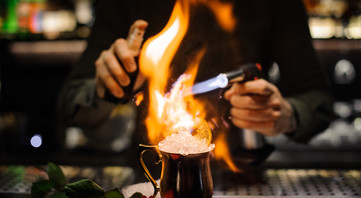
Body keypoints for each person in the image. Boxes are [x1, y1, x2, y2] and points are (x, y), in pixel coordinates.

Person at [58, 0, 334, 151]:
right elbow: (71, 106)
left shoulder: (276, 5)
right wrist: (108, 87)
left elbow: (318, 100)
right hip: (149, 181)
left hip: (243, 173)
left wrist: (286, 115)